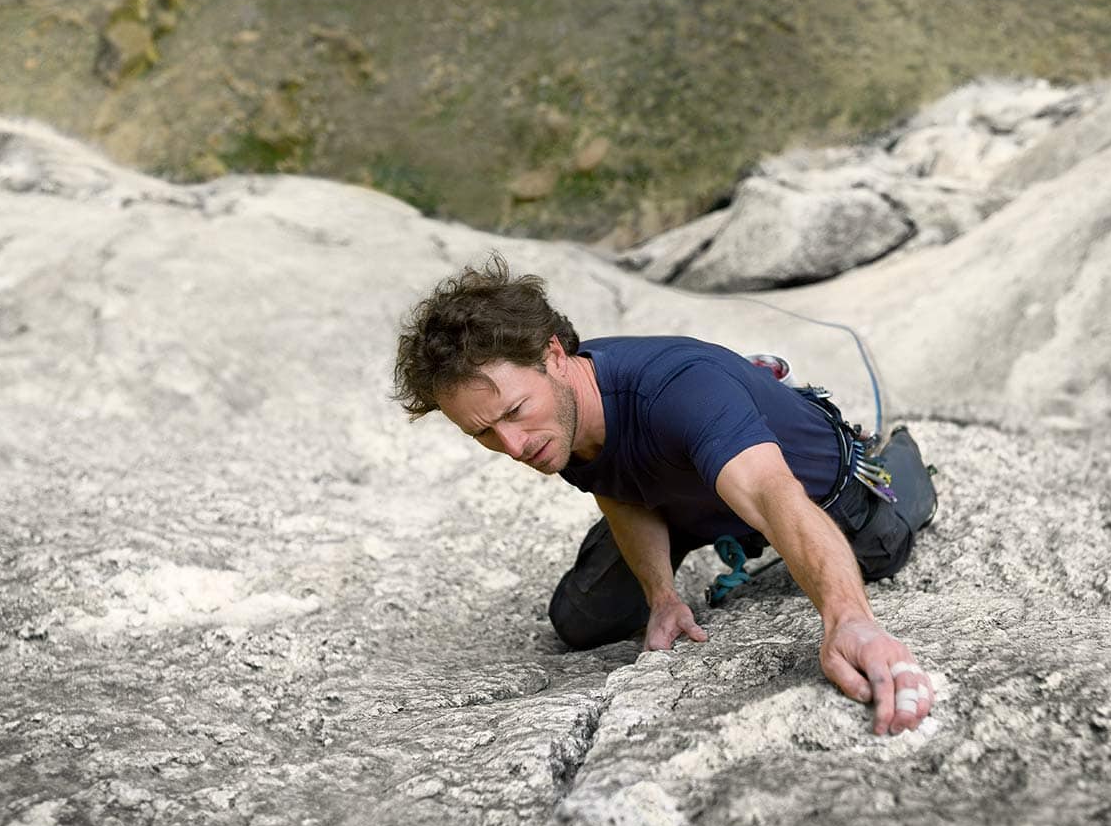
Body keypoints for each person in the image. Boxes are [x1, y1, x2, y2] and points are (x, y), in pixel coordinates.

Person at [394, 254, 938, 736]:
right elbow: (615, 485)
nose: (512, 445)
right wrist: (662, 596)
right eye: (483, 433)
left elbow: (773, 496)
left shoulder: (677, 389)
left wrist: (849, 621)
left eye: (513, 412)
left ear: (554, 356)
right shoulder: (554, 419)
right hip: (682, 498)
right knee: (582, 619)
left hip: (820, 491)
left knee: (882, 548)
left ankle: (899, 457)